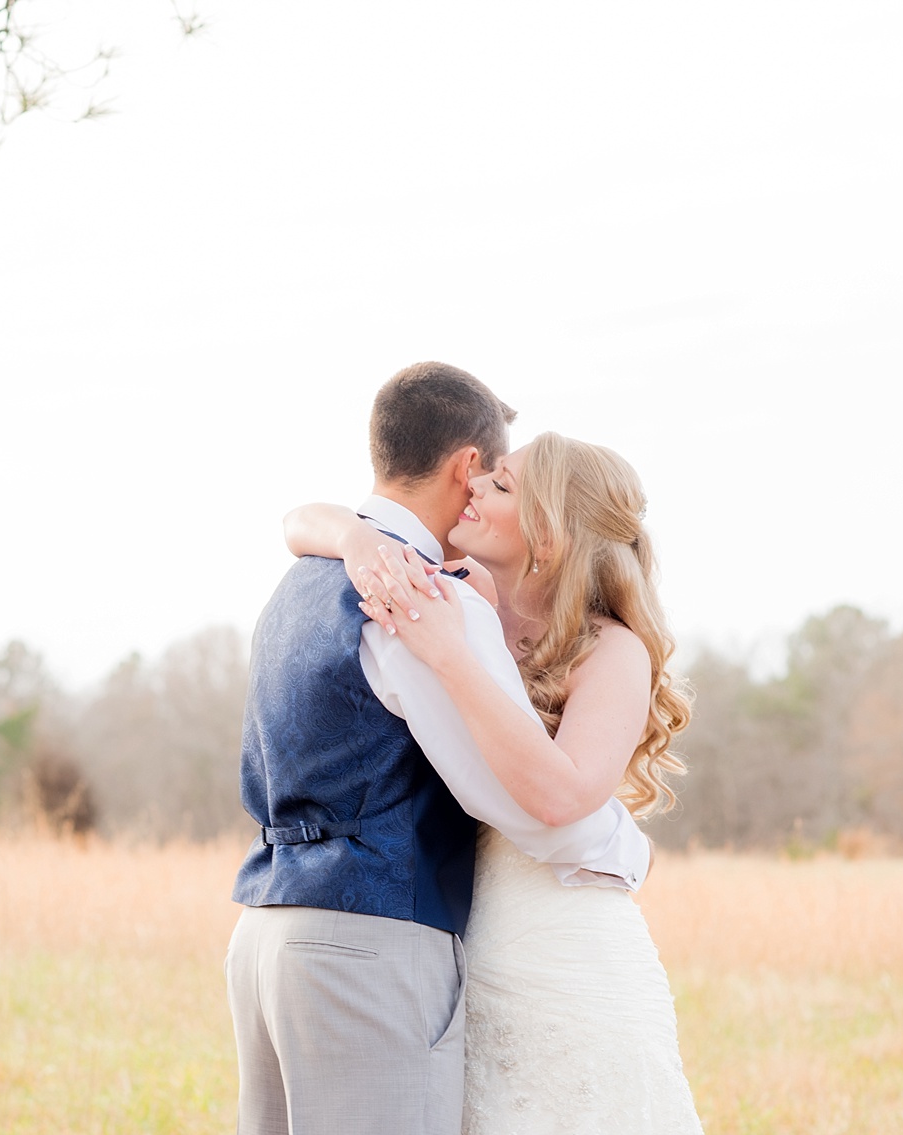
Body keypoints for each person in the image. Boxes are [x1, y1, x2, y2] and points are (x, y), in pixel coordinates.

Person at [227, 362, 652, 1135]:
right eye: (491, 478)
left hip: (268, 924)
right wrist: (620, 846)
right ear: (465, 467)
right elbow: (518, 802)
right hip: (371, 941)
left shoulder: (308, 578)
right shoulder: (421, 594)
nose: (485, 494)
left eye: (508, 490)